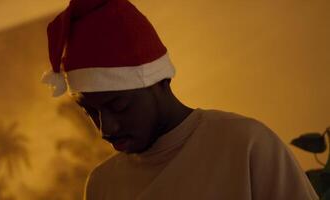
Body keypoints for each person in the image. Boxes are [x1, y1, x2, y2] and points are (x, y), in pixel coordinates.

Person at [42, 0, 319, 199]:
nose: (106, 128)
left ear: (160, 81)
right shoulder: (103, 185)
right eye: (90, 111)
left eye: (118, 105)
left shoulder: (246, 145)